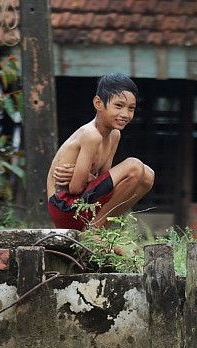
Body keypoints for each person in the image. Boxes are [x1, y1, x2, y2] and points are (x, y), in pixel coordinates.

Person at [45, 73, 154, 232]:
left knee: (148, 176)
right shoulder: (91, 135)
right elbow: (75, 188)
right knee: (134, 166)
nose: (125, 114)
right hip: (65, 206)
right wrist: (86, 178)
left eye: (131, 108)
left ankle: (97, 229)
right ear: (98, 103)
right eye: (118, 106)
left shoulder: (114, 135)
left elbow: (104, 181)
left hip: (84, 205)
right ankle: (94, 232)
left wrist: (88, 176)